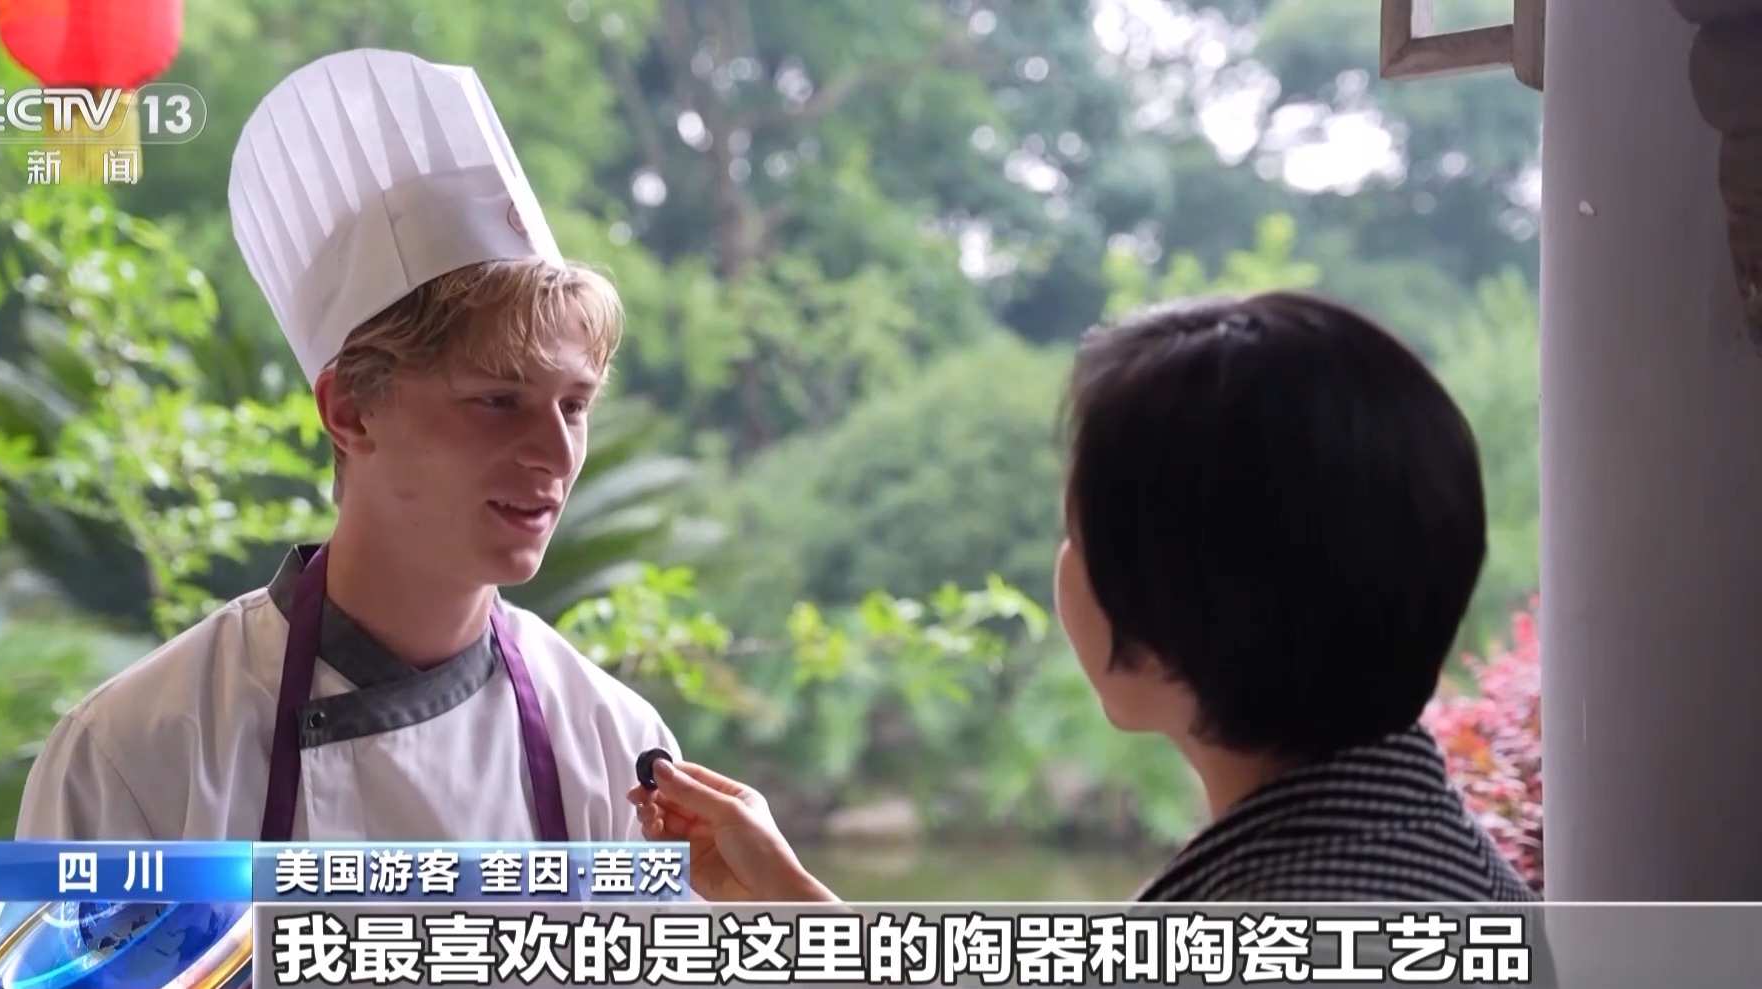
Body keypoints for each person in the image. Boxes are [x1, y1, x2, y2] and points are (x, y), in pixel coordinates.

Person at [632, 291, 1539, 902]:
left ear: (1164, 610)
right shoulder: (1447, 869)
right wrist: (790, 900)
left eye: (1078, 530)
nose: (1065, 562)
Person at [15, 48, 681, 842]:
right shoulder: (132, 754)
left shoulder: (620, 753)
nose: (556, 453)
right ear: (352, 410)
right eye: (498, 401)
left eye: (574, 405)